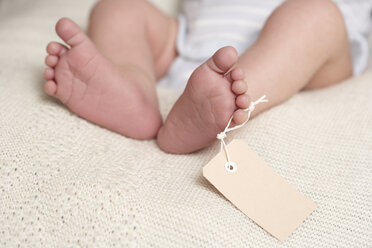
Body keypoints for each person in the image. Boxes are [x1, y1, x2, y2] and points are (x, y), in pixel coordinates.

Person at [43, 0, 372, 153]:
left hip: (306, 58)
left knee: (314, 16)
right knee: (118, 8)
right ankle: (133, 90)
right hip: (190, 42)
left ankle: (231, 98)